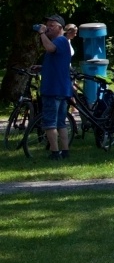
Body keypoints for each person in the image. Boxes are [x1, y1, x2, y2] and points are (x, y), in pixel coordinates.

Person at [36, 15, 73, 160]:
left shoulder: (60, 40)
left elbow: (50, 48)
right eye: (47, 25)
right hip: (62, 88)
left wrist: (41, 33)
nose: (48, 27)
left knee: (50, 123)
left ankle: (55, 153)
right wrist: (42, 67)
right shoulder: (63, 42)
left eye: (51, 25)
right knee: (60, 123)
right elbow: (57, 62)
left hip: (53, 88)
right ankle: (65, 151)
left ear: (59, 27)